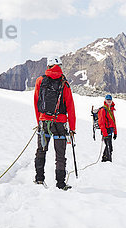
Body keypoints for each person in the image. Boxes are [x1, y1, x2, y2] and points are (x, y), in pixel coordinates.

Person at [33, 56, 76, 190]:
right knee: (60, 155)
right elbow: (70, 106)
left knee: (41, 150)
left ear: (48, 65)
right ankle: (60, 183)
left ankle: (39, 179)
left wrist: (39, 120)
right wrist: (72, 128)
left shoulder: (40, 80)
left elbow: (36, 102)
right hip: (59, 123)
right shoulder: (65, 83)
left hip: (44, 122)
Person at [97, 94, 117, 162]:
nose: (109, 101)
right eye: (108, 100)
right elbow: (101, 122)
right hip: (106, 131)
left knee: (109, 147)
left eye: (110, 100)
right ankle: (106, 160)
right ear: (105, 100)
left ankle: (105, 159)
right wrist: (104, 133)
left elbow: (113, 122)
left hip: (110, 131)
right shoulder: (103, 110)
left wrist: (115, 132)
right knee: (109, 147)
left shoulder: (111, 109)